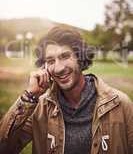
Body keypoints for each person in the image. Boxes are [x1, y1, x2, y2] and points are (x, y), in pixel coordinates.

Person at [0, 25, 133, 154]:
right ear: (44, 68)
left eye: (65, 56)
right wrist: (29, 97)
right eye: (51, 61)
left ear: (79, 58)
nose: (59, 68)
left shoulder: (121, 105)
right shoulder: (40, 109)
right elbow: (4, 147)